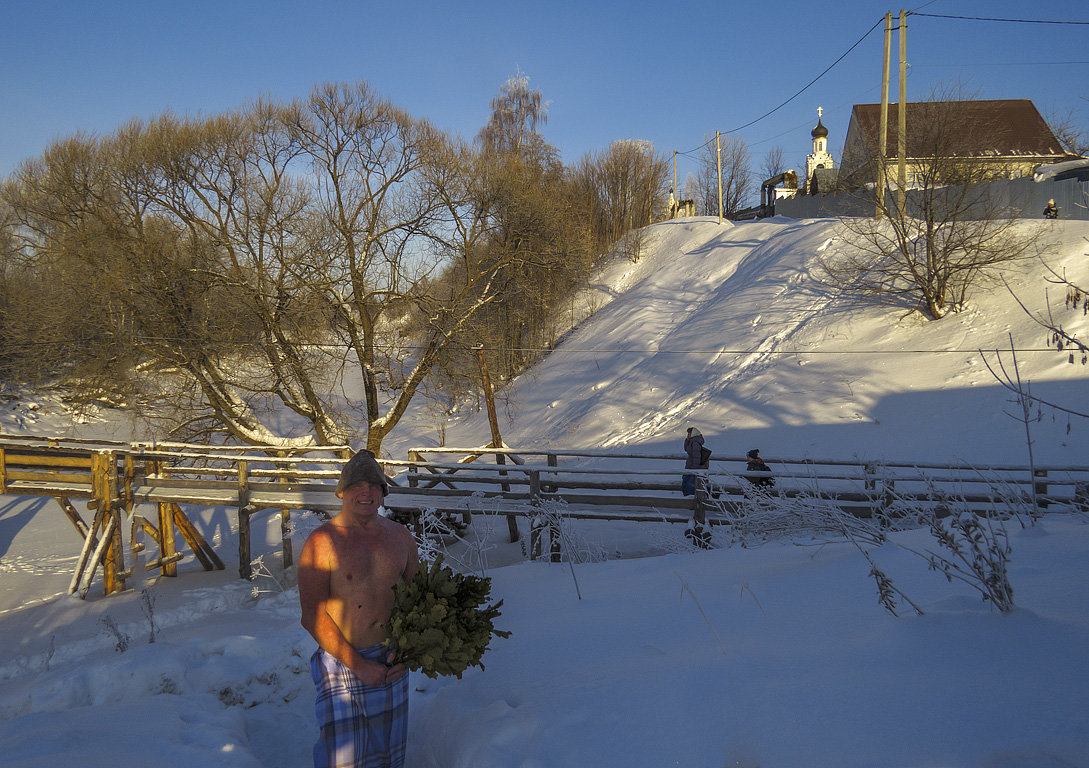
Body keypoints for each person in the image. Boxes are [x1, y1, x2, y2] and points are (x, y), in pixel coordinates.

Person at [299, 450, 419, 768]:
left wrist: (408, 652)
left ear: (383, 493)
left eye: (374, 486)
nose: (366, 492)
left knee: (388, 755)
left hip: (392, 660)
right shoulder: (322, 542)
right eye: (357, 485)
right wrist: (358, 665)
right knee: (343, 758)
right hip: (341, 663)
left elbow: (417, 602)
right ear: (342, 491)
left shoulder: (401, 538)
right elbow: (311, 615)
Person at [682, 427, 709, 496]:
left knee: (690, 482)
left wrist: (695, 468)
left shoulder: (695, 442)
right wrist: (687, 440)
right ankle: (688, 495)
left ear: (693, 434)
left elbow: (696, 456)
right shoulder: (692, 441)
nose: (688, 435)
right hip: (690, 465)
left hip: (692, 466)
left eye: (689, 433)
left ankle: (689, 497)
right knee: (687, 480)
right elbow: (686, 449)